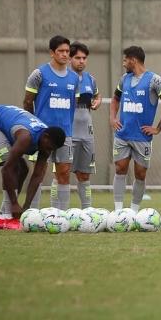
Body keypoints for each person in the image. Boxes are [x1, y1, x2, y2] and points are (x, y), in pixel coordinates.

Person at [0, 105, 66, 229]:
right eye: (49, 148)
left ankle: (3, 217)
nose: (48, 151)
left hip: (5, 124)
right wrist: (14, 204)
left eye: (52, 150)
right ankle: (5, 217)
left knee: (23, 169)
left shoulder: (46, 143)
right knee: (13, 167)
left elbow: (37, 176)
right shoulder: (26, 137)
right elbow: (6, 170)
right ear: (45, 137)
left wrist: (26, 207)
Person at [109, 46, 161, 211]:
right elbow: (115, 99)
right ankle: (118, 211)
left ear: (133, 60)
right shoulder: (124, 79)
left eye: (125, 60)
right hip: (122, 135)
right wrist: (113, 118)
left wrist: (158, 128)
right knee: (120, 169)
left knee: (140, 174)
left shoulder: (155, 80)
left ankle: (134, 212)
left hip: (142, 137)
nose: (123, 64)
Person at [23, 35, 79, 210]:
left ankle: (62, 215)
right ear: (52, 53)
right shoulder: (39, 74)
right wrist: (33, 127)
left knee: (64, 173)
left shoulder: (74, 78)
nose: (65, 54)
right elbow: (27, 102)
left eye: (67, 51)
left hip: (65, 133)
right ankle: (32, 213)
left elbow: (74, 104)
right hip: (42, 134)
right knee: (38, 174)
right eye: (61, 51)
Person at [69, 42, 100, 209]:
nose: (81, 61)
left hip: (87, 133)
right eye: (77, 58)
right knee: (61, 173)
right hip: (68, 131)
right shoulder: (65, 77)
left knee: (84, 174)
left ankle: (87, 211)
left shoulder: (91, 79)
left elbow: (97, 96)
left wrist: (97, 101)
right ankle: (58, 212)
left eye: (84, 58)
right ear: (70, 59)